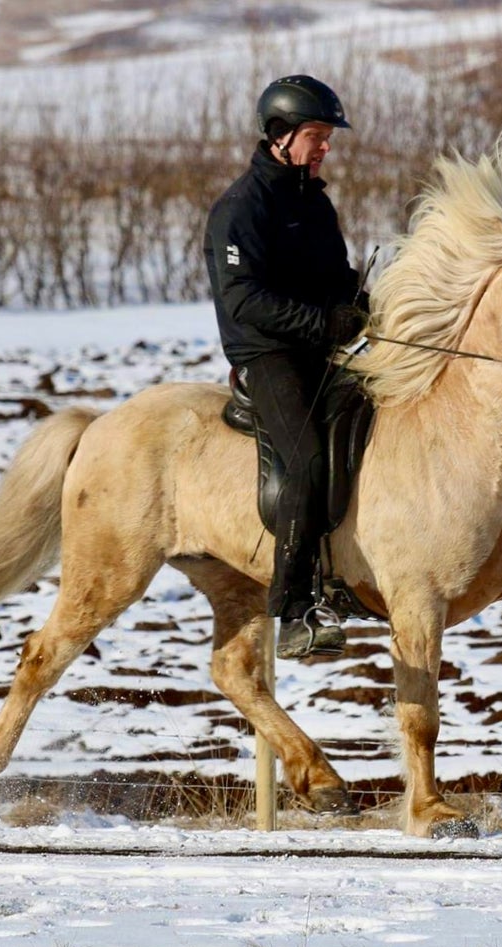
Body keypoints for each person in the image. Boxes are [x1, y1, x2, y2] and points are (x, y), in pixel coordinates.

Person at [203, 74, 368, 660]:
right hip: (267, 355)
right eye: (317, 135)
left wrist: (362, 302)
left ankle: (351, 570)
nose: (325, 147)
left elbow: (336, 278)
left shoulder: (314, 201)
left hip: (320, 348)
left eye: (328, 137)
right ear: (280, 135)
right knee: (303, 460)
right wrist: (323, 324)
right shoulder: (241, 209)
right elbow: (244, 300)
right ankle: (295, 608)